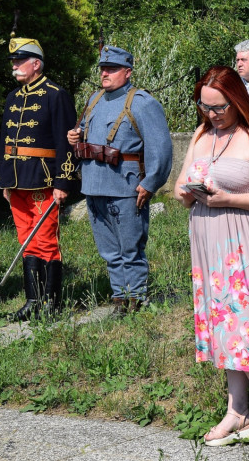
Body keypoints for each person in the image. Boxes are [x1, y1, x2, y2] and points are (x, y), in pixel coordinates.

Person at [173, 65, 249, 455]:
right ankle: (238, 411)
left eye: (219, 107)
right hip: (209, 240)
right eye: (205, 107)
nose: (212, 115)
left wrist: (229, 198)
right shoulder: (201, 134)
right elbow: (179, 187)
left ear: (237, 99)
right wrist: (187, 192)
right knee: (223, 323)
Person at [67, 46, 172, 314]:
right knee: (108, 249)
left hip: (125, 185)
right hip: (94, 184)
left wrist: (150, 183)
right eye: (103, 68)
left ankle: (135, 298)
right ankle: (119, 297)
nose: (105, 73)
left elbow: (160, 148)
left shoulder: (142, 103)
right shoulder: (94, 100)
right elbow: (85, 134)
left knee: (130, 246)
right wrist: (74, 137)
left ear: (127, 72)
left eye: (112, 69)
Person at [0, 38, 78, 320]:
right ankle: (33, 301)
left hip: (44, 179)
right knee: (26, 240)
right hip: (16, 180)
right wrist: (4, 179)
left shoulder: (56, 94)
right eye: (13, 61)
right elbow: (5, 141)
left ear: (36, 64)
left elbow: (65, 143)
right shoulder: (13, 97)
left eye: (20, 61)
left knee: (45, 240)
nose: (15, 66)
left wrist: (63, 182)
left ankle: (51, 303)